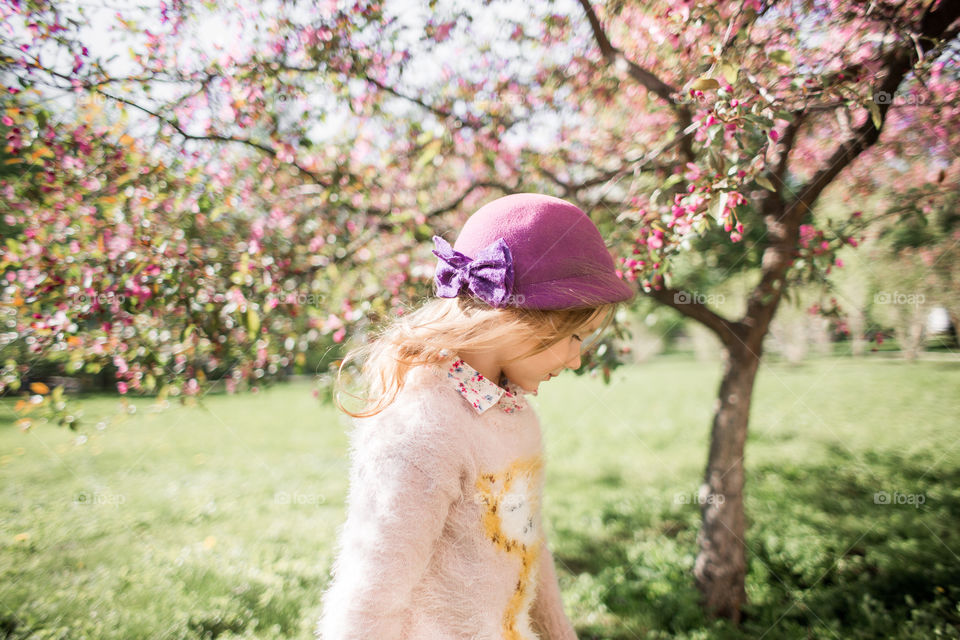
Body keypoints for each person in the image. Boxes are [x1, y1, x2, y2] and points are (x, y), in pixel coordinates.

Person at [315, 193, 636, 639]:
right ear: (520, 316)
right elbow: (368, 598)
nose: (576, 359)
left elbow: (527, 543)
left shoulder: (516, 415)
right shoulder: (422, 429)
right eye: (574, 335)